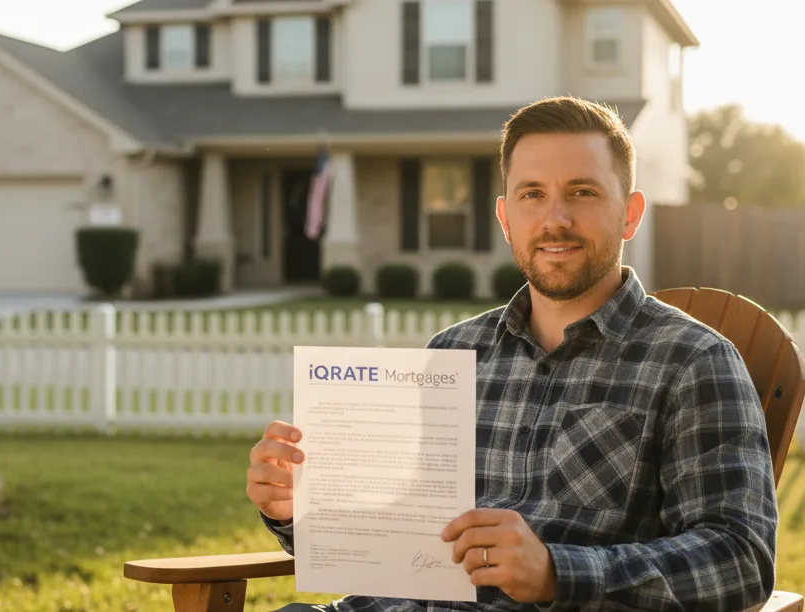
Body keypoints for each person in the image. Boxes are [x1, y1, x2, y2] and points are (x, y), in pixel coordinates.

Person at [245, 96, 779, 612]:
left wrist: (555, 572)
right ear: (505, 218)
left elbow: (741, 561)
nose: (555, 219)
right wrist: (297, 511)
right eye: (532, 194)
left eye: (582, 192)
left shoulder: (692, 362)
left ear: (630, 214)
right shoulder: (452, 353)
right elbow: (392, 537)